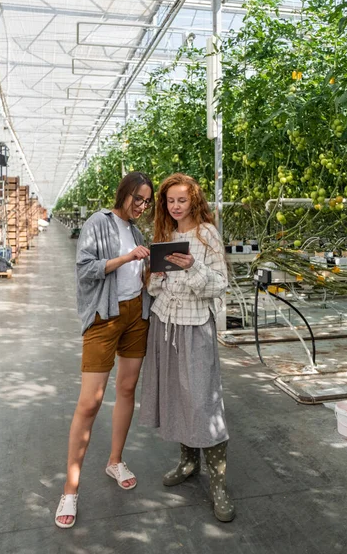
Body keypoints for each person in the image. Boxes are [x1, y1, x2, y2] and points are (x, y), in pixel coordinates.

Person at [55, 171, 154, 529]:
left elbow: (138, 278)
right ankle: (70, 488)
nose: (142, 206)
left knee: (127, 389)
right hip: (104, 317)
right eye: (138, 199)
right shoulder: (100, 222)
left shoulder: (138, 232)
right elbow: (85, 270)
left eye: (147, 201)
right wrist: (128, 258)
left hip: (135, 316)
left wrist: (153, 270)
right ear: (124, 193)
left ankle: (115, 460)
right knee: (90, 401)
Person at [139, 172, 235, 522]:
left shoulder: (207, 235)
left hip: (195, 328)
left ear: (194, 201)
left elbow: (220, 285)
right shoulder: (164, 235)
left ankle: (219, 484)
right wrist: (156, 275)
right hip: (166, 325)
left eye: (182, 200)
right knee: (179, 396)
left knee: (203, 400)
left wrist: (192, 266)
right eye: (170, 201)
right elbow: (153, 290)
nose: (175, 206)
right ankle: (189, 461)